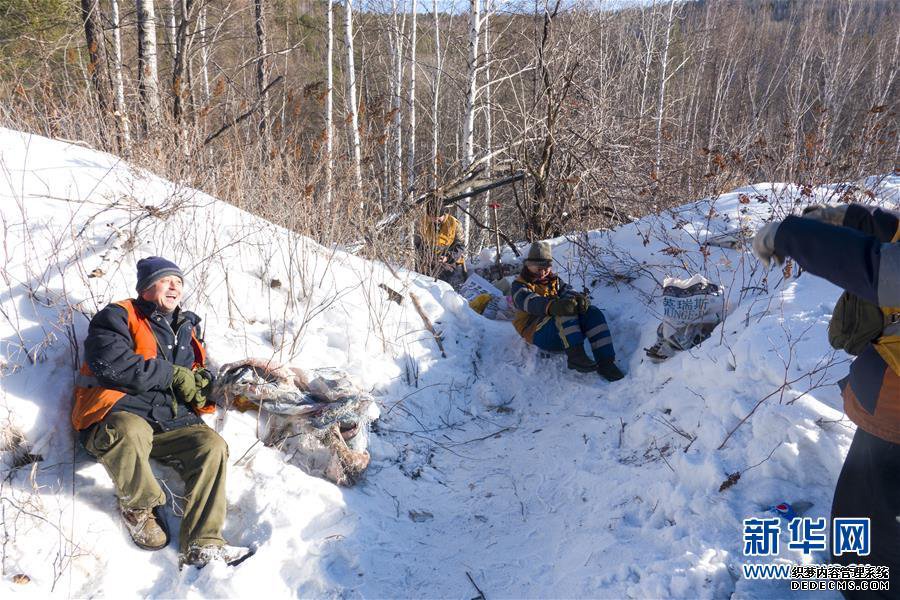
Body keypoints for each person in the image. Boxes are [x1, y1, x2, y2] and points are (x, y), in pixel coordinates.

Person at [753, 203, 900, 599]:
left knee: (874, 522)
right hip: (888, 407)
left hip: (894, 419)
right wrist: (843, 218)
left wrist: (789, 236)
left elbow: (876, 269)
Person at [72, 256, 251, 568]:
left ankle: (203, 543)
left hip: (169, 421)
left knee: (211, 447)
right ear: (146, 289)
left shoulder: (186, 329)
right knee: (130, 430)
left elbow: (192, 375)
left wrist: (200, 383)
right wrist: (171, 374)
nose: (175, 287)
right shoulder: (117, 316)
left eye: (179, 282)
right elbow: (110, 364)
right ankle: (138, 508)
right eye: (167, 280)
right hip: (116, 416)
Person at [510, 242, 625, 381]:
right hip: (535, 330)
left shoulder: (554, 280)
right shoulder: (519, 286)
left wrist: (580, 300)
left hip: (562, 331)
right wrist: (553, 306)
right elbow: (530, 302)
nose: (542, 272)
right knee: (563, 312)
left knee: (592, 312)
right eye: (538, 268)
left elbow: (569, 292)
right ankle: (576, 356)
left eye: (546, 268)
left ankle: (606, 362)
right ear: (528, 265)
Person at [414, 203, 466, 287]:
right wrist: (423, 256)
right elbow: (417, 244)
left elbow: (460, 246)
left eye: (438, 218)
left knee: (443, 281)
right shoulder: (423, 223)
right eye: (432, 218)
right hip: (428, 260)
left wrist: (448, 257)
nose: (435, 220)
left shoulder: (454, 224)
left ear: (443, 213)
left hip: (449, 260)